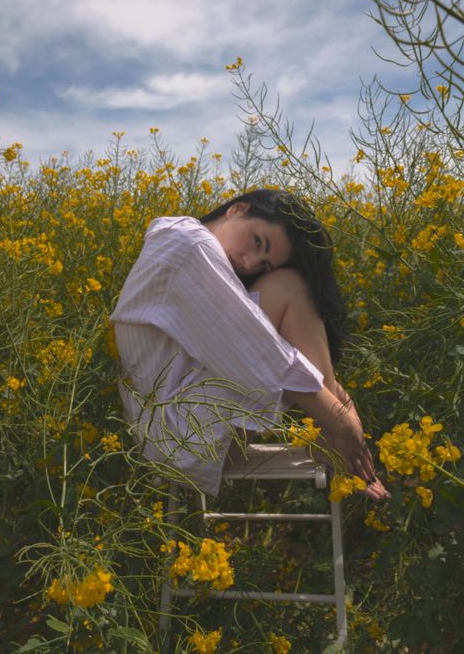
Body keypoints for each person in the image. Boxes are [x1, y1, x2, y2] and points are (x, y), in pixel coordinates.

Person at [111, 189, 389, 501]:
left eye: (263, 264)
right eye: (258, 242)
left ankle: (330, 434)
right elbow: (256, 352)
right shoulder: (186, 243)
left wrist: (333, 403)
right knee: (288, 286)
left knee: (282, 291)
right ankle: (333, 438)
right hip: (183, 435)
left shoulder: (181, 243)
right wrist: (340, 419)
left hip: (178, 431)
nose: (251, 262)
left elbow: (252, 346)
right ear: (237, 209)